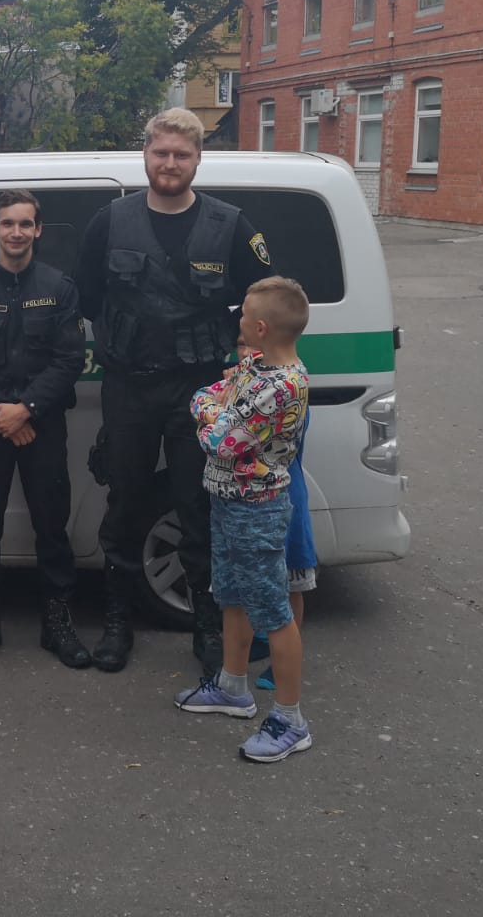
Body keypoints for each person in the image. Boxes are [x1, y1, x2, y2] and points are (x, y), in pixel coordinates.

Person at [75, 107, 274, 674]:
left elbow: (267, 300)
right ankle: (118, 623)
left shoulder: (231, 225)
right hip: (129, 387)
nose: (169, 163)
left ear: (198, 159)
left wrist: (243, 359)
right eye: (161, 152)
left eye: (181, 154)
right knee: (124, 504)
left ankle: (208, 628)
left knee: (197, 506)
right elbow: (86, 297)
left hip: (201, 391)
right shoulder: (109, 222)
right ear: (145, 154)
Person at [0, 189, 90, 670]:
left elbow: (69, 359)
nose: (16, 232)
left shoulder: (60, 288)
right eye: (8, 223)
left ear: (38, 230)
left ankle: (57, 622)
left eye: (25, 224)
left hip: (42, 423)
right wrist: (4, 415)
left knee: (51, 523)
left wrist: (25, 409)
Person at [176, 278, 313, 763]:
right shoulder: (255, 367)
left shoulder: (284, 385)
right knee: (230, 593)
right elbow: (204, 395)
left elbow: (219, 441)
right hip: (227, 500)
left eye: (244, 315)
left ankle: (290, 720)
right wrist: (215, 411)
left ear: (260, 327)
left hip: (257, 511)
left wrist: (214, 415)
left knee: (273, 612)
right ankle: (232, 687)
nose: (237, 321)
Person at [220, 336, 317, 691]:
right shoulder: (250, 383)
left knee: (289, 581)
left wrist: (226, 397)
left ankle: (283, 664)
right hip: (251, 499)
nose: (246, 353)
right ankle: (260, 639)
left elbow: (225, 435)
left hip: (281, 497)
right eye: (240, 345)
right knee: (251, 581)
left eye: (254, 346)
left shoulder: (283, 388)